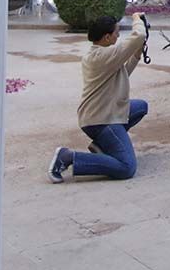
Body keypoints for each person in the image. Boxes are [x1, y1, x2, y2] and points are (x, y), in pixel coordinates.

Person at [48, 13, 149, 182]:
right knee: (126, 168)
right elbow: (139, 34)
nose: (118, 35)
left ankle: (102, 146)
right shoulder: (102, 56)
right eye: (116, 32)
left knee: (141, 107)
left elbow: (123, 72)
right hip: (101, 120)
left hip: (106, 111)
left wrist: (137, 53)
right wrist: (137, 18)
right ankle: (68, 157)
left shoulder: (102, 55)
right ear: (107, 37)